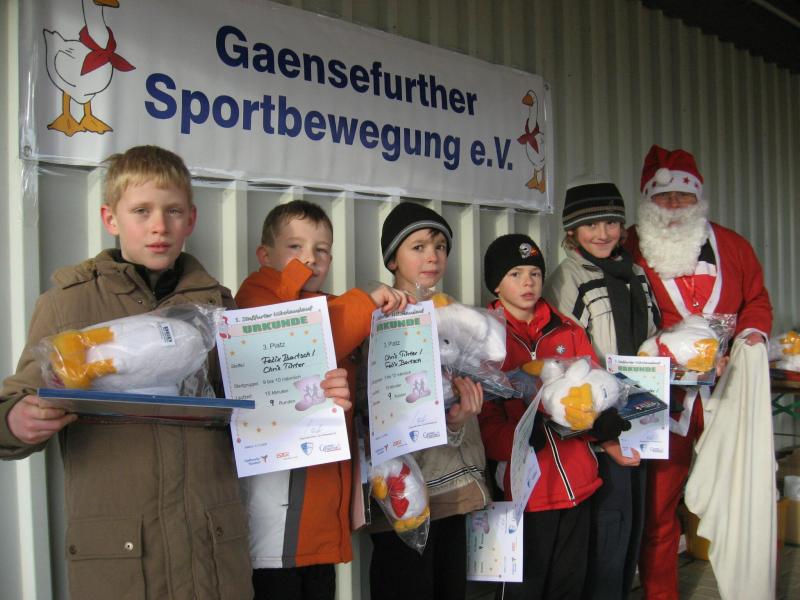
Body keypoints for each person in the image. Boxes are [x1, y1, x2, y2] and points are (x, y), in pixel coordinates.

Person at [0, 145, 347, 599]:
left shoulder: (220, 307)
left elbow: (261, 407)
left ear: (191, 219)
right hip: (122, 558)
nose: (159, 226)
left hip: (211, 549)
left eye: (173, 211)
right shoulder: (68, 304)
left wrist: (319, 394)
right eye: (141, 211)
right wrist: (15, 421)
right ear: (110, 218)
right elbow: (14, 404)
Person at [235, 199, 409, 600]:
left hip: (321, 508)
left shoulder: (328, 307)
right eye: (295, 247)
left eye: (322, 250)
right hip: (277, 518)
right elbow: (306, 336)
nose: (310, 259)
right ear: (265, 255)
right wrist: (366, 300)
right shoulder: (254, 298)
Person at [625, 145, 772, 600]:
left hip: (725, 396)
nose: (673, 204)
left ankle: (747, 584)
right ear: (647, 200)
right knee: (658, 509)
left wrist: (750, 339)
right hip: (658, 399)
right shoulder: (627, 247)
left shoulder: (734, 247)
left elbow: (757, 301)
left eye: (683, 195)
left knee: (739, 492)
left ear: (698, 198)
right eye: (663, 196)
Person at [479, 233, 628, 600]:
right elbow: (482, 418)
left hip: (578, 485)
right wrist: (515, 440)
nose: (527, 282)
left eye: (534, 273)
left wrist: (602, 424)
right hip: (523, 494)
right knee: (523, 591)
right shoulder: (485, 338)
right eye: (515, 274)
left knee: (569, 587)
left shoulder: (568, 329)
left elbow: (592, 389)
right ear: (495, 284)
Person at [362, 202, 489, 600]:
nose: (432, 256)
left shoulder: (458, 321)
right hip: (401, 500)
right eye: (418, 247)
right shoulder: (375, 319)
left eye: (440, 246)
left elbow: (465, 408)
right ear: (392, 259)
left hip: (453, 491)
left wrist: (459, 419)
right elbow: (371, 413)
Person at [543, 179, 658, 599]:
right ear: (572, 231)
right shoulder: (567, 279)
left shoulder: (636, 274)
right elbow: (564, 364)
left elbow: (652, 340)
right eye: (591, 224)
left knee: (631, 528)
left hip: (640, 419)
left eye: (611, 222)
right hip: (598, 433)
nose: (603, 233)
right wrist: (602, 434)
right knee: (606, 530)